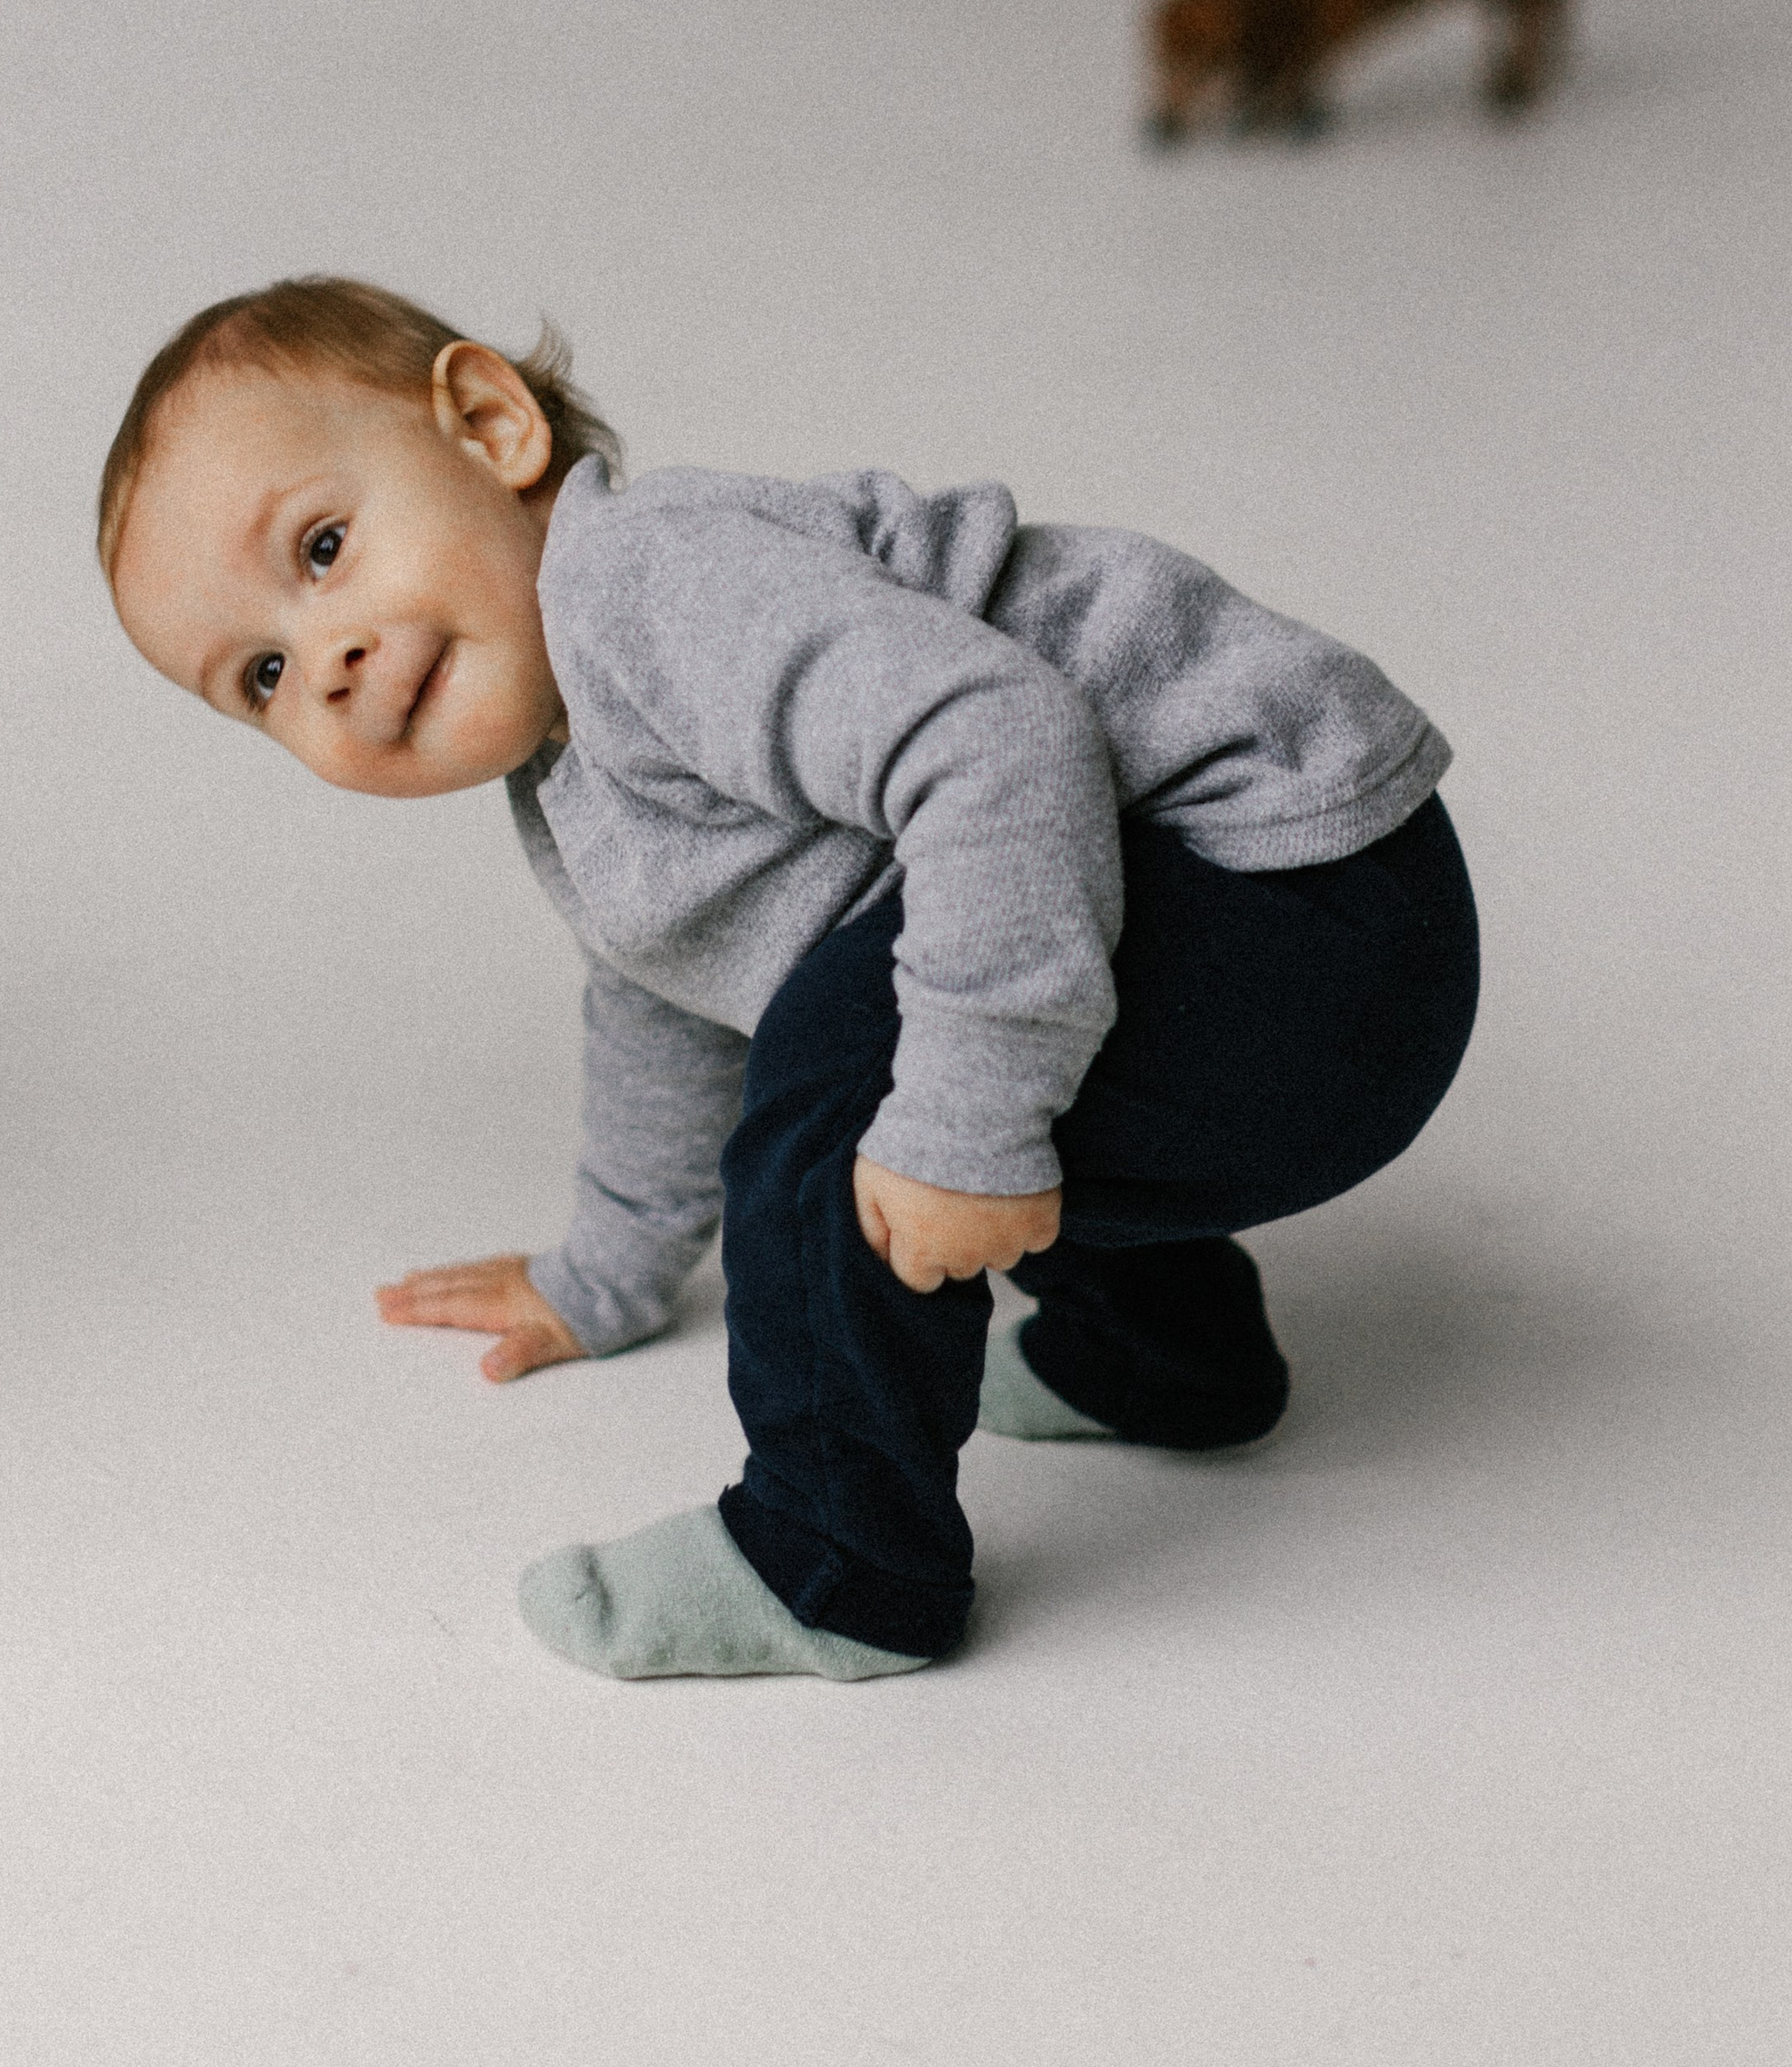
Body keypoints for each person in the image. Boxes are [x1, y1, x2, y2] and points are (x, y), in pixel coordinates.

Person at [99, 276, 1479, 1681]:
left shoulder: (646, 586)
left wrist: (963, 1123)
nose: (323, 666)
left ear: (492, 426)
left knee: (860, 1068)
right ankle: (1168, 1357)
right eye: (261, 676)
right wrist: (610, 1274)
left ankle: (838, 1562)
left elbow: (1000, 741)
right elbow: (669, 993)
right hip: (1278, 931)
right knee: (910, 981)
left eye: (326, 547)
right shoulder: (573, 776)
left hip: (1313, 900)